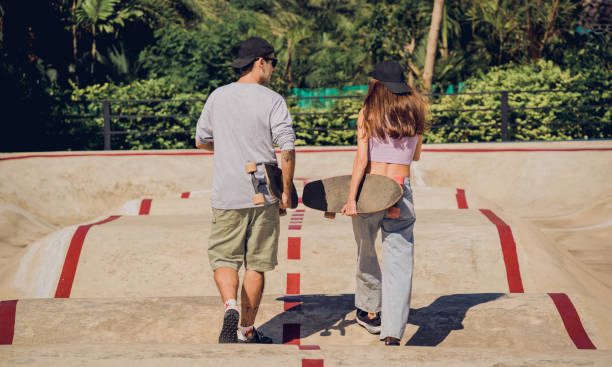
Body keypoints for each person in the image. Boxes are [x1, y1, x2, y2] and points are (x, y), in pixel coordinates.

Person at [195, 37, 296, 344]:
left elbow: (201, 140)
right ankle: (246, 331)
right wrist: (287, 192)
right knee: (257, 264)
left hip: (226, 194)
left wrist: (226, 145)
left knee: (224, 258)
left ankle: (230, 306)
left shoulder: (218, 96)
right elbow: (287, 149)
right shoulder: (272, 100)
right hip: (264, 195)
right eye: (273, 62)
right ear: (260, 62)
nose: (274, 69)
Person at [341, 60, 427, 346]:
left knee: (366, 252)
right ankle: (393, 331)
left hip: (372, 189)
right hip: (401, 190)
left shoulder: (367, 112)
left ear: (375, 84)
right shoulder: (416, 111)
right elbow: (414, 157)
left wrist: (351, 198)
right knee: (400, 263)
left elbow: (361, 159)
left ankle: (370, 310)